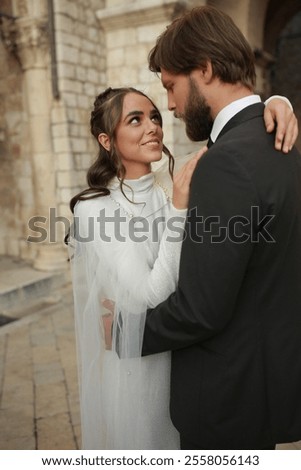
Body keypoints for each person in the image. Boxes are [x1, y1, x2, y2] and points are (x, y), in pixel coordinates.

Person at [69, 84, 297, 449]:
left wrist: (277, 103)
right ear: (107, 140)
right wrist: (178, 210)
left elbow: (234, 135)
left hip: (189, 359)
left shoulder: (172, 183)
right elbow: (148, 294)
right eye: (136, 120)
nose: (153, 126)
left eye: (155, 117)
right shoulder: (94, 210)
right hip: (142, 365)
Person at [139, 6, 301, 450]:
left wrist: (127, 330)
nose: (169, 105)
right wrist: (277, 99)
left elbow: (201, 309)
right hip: (262, 390)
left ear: (205, 68)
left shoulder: (226, 163)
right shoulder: (278, 141)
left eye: (171, 87)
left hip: (225, 407)